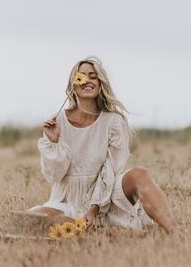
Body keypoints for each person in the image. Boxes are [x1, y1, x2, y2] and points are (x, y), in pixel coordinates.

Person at [29, 56, 179, 233]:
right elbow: (53, 176)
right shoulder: (57, 122)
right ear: (73, 84)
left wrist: (94, 208)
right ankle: (84, 227)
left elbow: (111, 170)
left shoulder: (114, 121)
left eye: (93, 76)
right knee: (35, 218)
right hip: (67, 200)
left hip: (106, 197)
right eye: (81, 76)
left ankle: (176, 232)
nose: (87, 80)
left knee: (139, 174)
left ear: (100, 83)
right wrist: (53, 142)